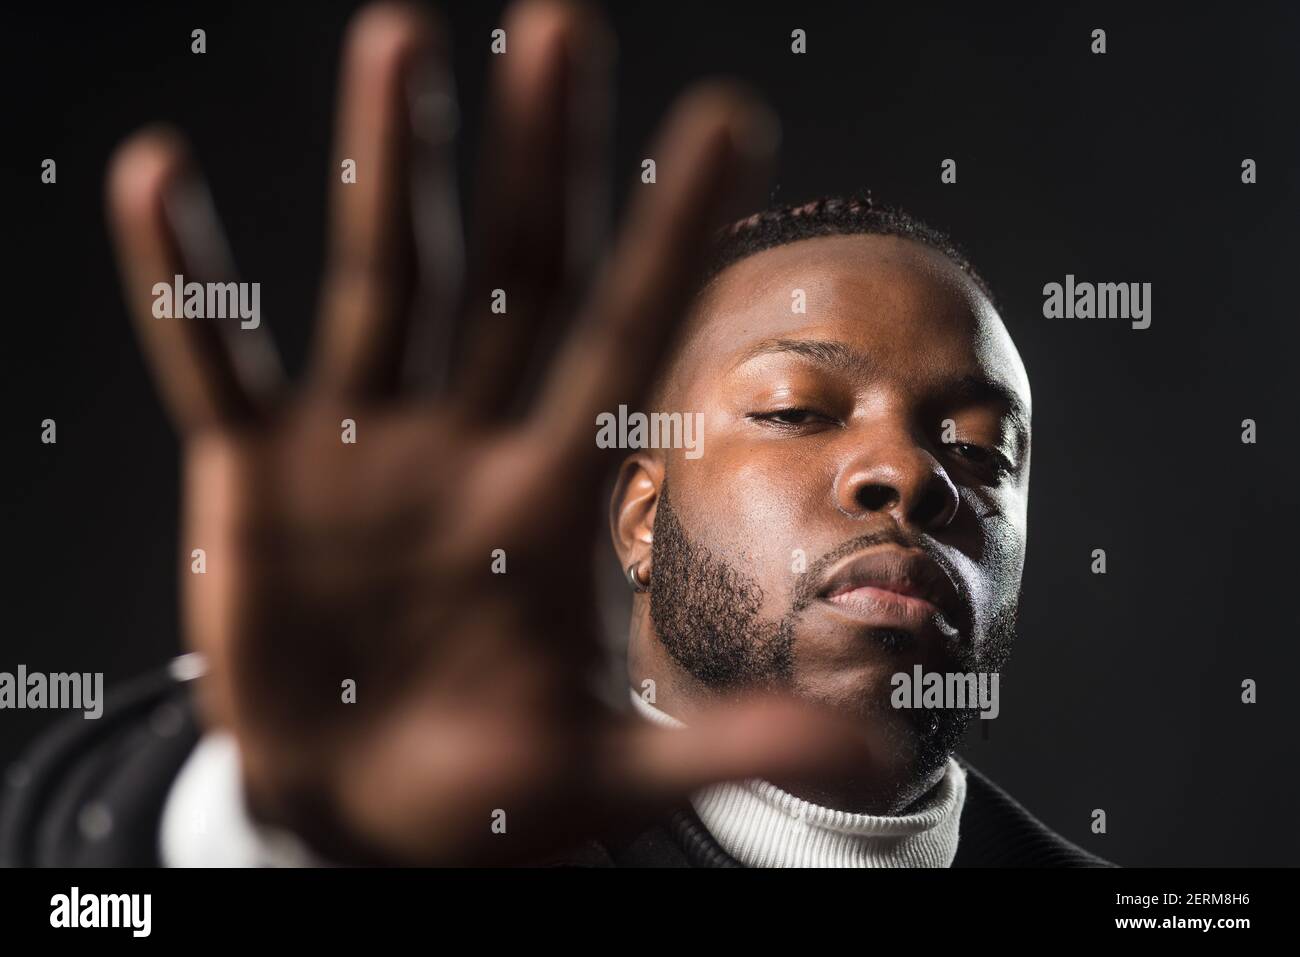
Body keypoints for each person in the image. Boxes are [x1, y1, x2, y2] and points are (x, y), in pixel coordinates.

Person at [0, 0, 1108, 868]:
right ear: (638, 512)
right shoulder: (447, 841)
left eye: (974, 447)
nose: (907, 474)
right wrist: (276, 829)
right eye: (795, 411)